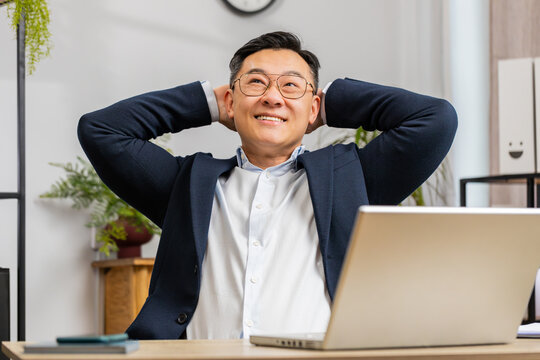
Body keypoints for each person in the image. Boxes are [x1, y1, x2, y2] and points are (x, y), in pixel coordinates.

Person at [78, 31, 457, 340]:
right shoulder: (187, 184)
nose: (272, 97)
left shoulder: (350, 179)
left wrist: (328, 104)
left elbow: (434, 120)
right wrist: (208, 103)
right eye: (255, 82)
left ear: (313, 108)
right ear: (231, 99)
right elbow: (102, 130)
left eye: (291, 86)